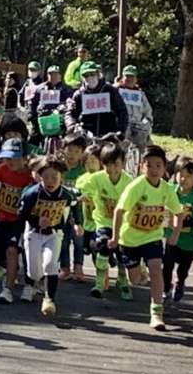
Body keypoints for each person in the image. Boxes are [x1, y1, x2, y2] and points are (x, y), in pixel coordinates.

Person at [109, 145, 184, 331]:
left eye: (158, 165)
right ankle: (138, 269)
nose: (153, 170)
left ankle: (157, 313)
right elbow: (119, 211)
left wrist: (175, 234)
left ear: (164, 168)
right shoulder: (136, 187)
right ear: (142, 167)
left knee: (156, 271)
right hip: (130, 239)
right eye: (149, 165)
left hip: (153, 237)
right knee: (135, 280)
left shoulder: (167, 189)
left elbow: (178, 212)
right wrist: (115, 237)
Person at [20, 156, 81, 316]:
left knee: (51, 264)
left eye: (54, 177)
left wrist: (77, 223)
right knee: (34, 272)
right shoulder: (32, 194)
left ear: (61, 177)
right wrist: (36, 220)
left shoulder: (66, 195)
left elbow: (75, 206)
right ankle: (36, 282)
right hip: (34, 233)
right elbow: (22, 213)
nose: (50, 181)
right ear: (40, 177)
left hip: (54, 234)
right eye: (46, 177)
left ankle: (49, 299)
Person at [0, 138, 35, 304]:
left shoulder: (31, 175)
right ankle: (13, 269)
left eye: (15, 158)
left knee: (12, 250)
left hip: (21, 221)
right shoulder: (2, 169)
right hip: (3, 217)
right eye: (7, 158)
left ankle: (8, 289)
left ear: (25, 158)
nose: (10, 161)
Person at [79, 142, 133, 299]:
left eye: (116, 164)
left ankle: (122, 281)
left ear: (123, 163)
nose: (112, 169)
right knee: (102, 245)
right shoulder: (97, 178)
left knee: (122, 254)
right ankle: (99, 283)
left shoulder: (129, 182)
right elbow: (82, 188)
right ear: (102, 164)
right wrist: (83, 196)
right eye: (107, 164)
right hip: (103, 221)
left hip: (123, 224)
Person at [163, 156, 193, 303]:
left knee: (183, 269)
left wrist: (179, 222)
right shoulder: (170, 191)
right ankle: (165, 289)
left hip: (189, 242)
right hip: (171, 238)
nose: (183, 179)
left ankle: (180, 283)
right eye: (180, 175)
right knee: (167, 265)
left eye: (188, 176)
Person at [65, 61, 129, 138]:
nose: (89, 78)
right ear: (82, 78)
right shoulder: (79, 94)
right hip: (86, 136)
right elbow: (70, 113)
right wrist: (72, 126)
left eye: (92, 74)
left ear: (98, 75)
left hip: (108, 136)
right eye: (86, 76)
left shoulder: (110, 91)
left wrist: (120, 130)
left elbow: (122, 111)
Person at [58, 133, 88, 282]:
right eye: (69, 150)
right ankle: (65, 268)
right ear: (63, 149)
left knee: (78, 241)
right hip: (61, 212)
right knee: (62, 241)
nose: (72, 154)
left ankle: (78, 267)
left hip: (78, 213)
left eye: (77, 151)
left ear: (82, 153)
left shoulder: (83, 171)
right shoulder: (59, 169)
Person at [28, 66, 73, 144]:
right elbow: (32, 103)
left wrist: (63, 109)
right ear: (47, 75)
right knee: (32, 138)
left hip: (59, 121)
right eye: (50, 74)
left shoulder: (66, 89)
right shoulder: (39, 88)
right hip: (41, 120)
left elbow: (70, 103)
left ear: (60, 75)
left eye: (56, 74)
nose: (53, 77)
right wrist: (32, 115)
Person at [116, 65, 154, 152]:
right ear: (122, 78)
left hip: (139, 128)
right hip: (122, 129)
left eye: (132, 76)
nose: (129, 79)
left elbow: (148, 112)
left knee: (150, 150)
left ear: (136, 79)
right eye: (127, 76)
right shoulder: (116, 91)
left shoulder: (140, 94)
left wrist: (145, 124)